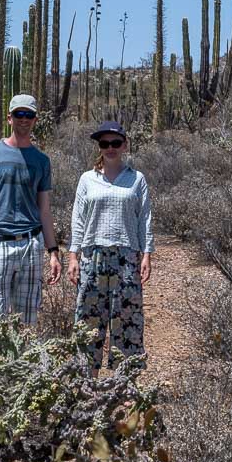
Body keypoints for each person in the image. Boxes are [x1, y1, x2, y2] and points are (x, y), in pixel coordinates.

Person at [0, 94, 60, 325]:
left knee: (27, 322)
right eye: (19, 114)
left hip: (30, 245)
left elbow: (44, 210)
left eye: (29, 115)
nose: (24, 119)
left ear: (35, 119)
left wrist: (53, 251)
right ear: (9, 118)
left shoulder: (41, 161)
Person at [67, 120, 153, 368]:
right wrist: (73, 256)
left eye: (115, 143)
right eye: (105, 143)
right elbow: (78, 219)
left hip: (126, 256)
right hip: (92, 255)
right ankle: (88, 384)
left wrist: (146, 254)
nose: (110, 148)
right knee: (88, 320)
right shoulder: (87, 179)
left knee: (126, 320)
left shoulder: (136, 179)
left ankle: (124, 387)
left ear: (125, 145)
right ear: (99, 147)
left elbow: (144, 218)